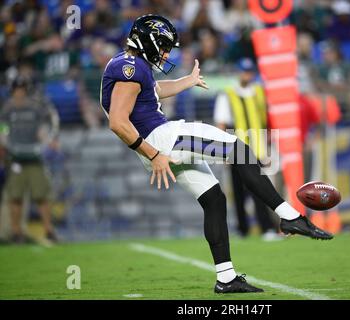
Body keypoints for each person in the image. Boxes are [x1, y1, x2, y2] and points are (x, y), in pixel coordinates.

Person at [101, 14, 333, 294]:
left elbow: (153, 92)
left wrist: (187, 81)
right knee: (241, 151)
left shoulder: (130, 64)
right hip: (162, 141)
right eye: (163, 46)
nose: (165, 53)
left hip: (159, 143)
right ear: (149, 41)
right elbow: (117, 122)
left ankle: (226, 278)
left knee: (214, 200)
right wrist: (153, 154)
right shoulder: (129, 67)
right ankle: (290, 217)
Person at [214, 57, 281, 241]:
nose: (247, 75)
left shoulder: (259, 92)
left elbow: (265, 121)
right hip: (237, 150)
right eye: (244, 71)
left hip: (257, 150)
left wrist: (268, 148)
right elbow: (221, 123)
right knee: (238, 191)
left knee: (259, 190)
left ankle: (266, 227)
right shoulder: (228, 94)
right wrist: (223, 152)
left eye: (249, 71)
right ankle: (243, 229)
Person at [0, 76, 60, 244]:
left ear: (26, 91)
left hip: (34, 157)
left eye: (22, 89)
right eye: (17, 90)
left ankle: (48, 230)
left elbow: (42, 128)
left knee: (42, 195)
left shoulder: (35, 108)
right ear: (12, 91)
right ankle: (16, 232)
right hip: (15, 159)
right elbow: (3, 131)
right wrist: (6, 144)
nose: (19, 93)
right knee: (15, 196)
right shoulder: (6, 110)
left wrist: (48, 141)